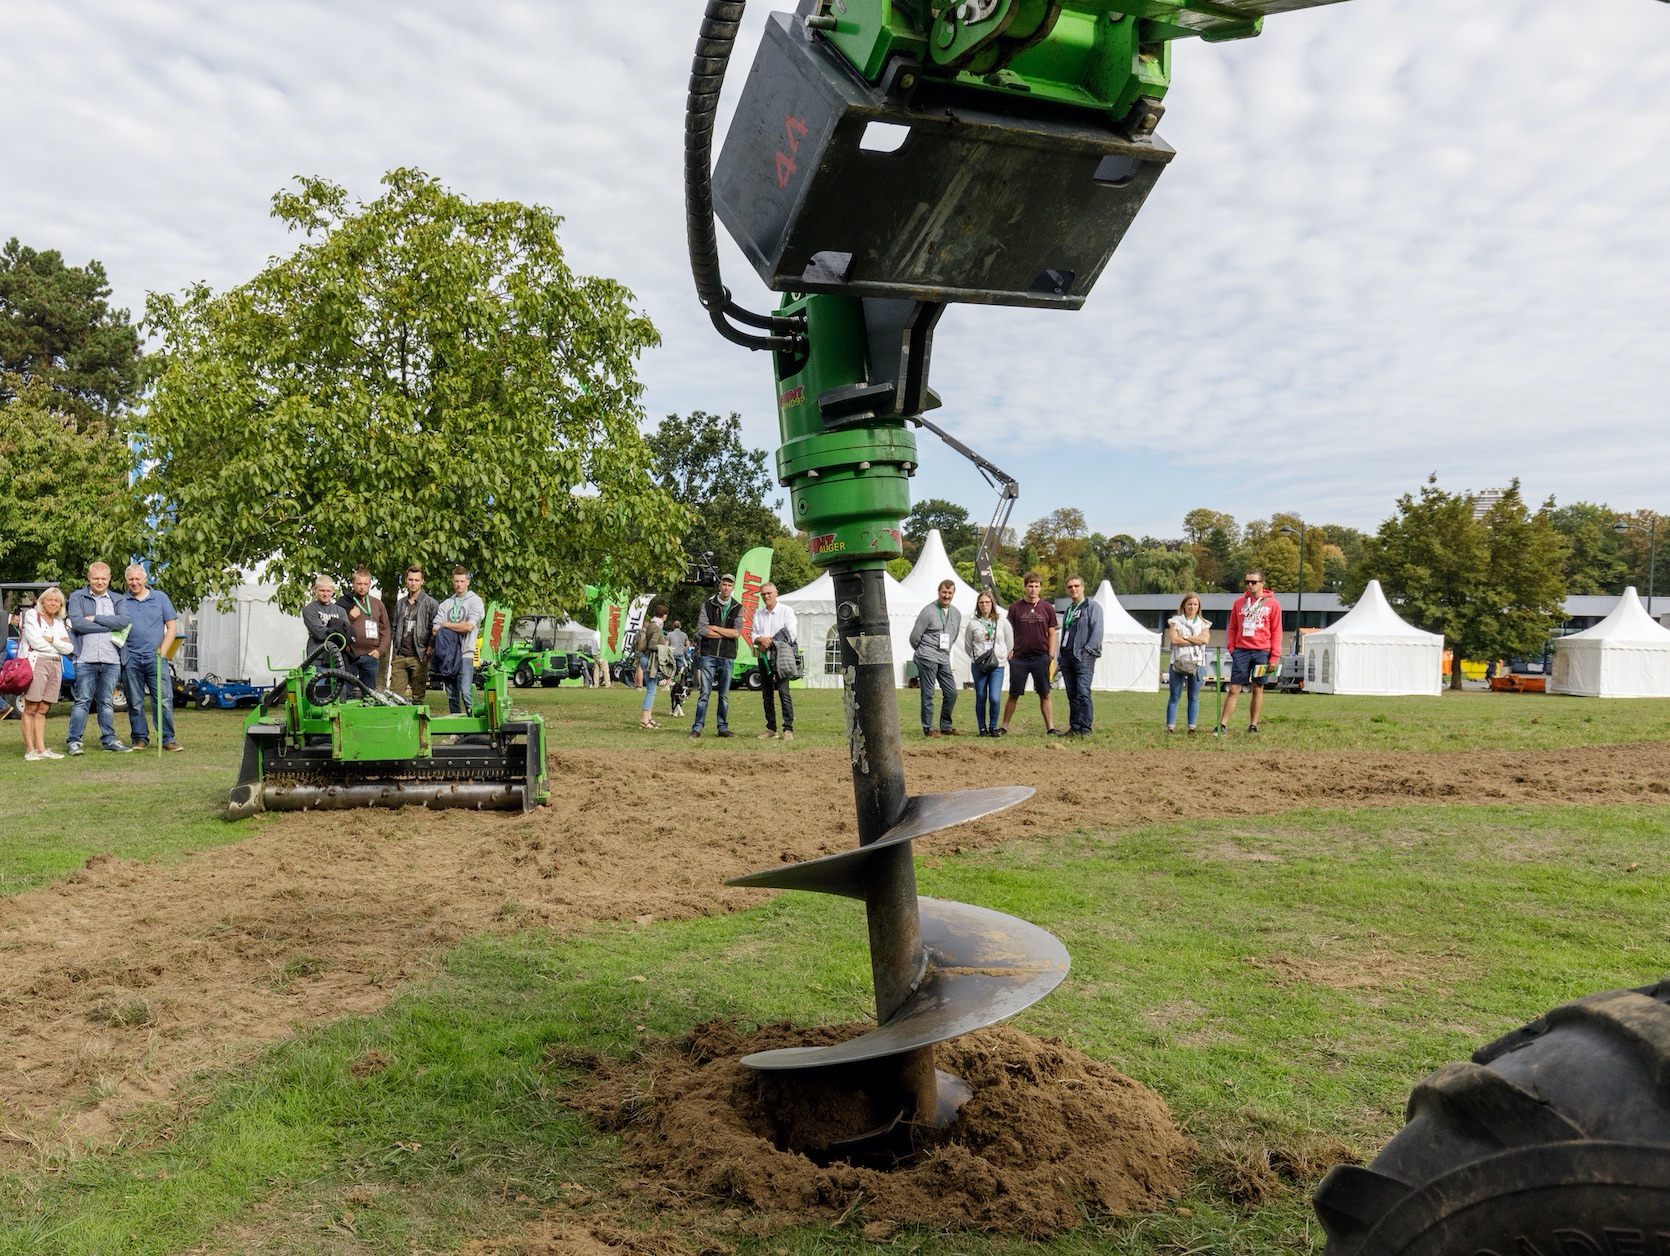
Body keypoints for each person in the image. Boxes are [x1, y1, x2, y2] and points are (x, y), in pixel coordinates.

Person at [66, 561, 133, 755]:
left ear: (110, 578)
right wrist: (109, 626)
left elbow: (124, 621)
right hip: (85, 658)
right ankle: (74, 740)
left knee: (106, 702)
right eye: (96, 578)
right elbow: (78, 624)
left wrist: (94, 618)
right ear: (88, 577)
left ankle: (109, 739)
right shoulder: (77, 596)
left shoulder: (118, 599)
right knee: (82, 701)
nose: (100, 582)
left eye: (104, 578)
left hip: (111, 658)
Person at [120, 564, 181, 752]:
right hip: (131, 659)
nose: (134, 583)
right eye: (131, 579)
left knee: (163, 700)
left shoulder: (160, 598)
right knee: (135, 701)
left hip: (155, 658)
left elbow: (172, 627)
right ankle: (139, 738)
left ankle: (167, 739)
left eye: (138, 579)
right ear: (126, 580)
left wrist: (163, 651)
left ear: (145, 579)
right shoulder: (121, 601)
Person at [1218, 570, 1282, 736]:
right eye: (1247, 582)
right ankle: (1222, 725)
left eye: (1253, 582)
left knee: (1258, 687)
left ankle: (1253, 725)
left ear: (1262, 583)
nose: (1250, 585)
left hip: (1263, 651)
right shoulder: (1239, 603)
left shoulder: (1273, 604)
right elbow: (1232, 627)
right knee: (1234, 688)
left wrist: (1274, 657)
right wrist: (1232, 648)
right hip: (1241, 650)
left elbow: (1276, 631)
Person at [998, 572, 1059, 736]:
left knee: (1044, 693)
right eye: (1030, 586)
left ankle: (1050, 728)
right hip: (1019, 658)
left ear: (1040, 588)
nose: (1033, 589)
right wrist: (1009, 652)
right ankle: (1004, 727)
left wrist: (1050, 655)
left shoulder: (1047, 608)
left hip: (1041, 657)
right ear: (1025, 587)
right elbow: (1007, 631)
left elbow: (1052, 632)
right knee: (1014, 694)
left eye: (1036, 586)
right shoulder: (1015, 608)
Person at [18, 587, 73, 760]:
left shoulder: (58, 622)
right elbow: (36, 642)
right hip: (37, 661)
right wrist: (57, 643)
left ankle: (41, 749)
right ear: (42, 601)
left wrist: (51, 640)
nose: (53, 603)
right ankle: (30, 750)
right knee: (31, 706)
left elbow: (69, 647)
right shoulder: (32, 616)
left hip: (55, 663)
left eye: (57, 601)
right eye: (50, 599)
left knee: (43, 708)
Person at [690, 572, 743, 739]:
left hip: (727, 656)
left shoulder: (738, 607)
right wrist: (722, 632)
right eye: (724, 585)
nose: (726, 588)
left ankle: (722, 727)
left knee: (724, 696)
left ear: (732, 588)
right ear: (719, 586)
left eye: (729, 585)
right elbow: (702, 630)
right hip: (708, 654)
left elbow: (737, 633)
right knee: (704, 693)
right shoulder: (707, 605)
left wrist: (715, 628)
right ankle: (697, 728)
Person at [909, 579, 962, 738]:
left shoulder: (956, 613)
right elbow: (914, 637)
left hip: (943, 657)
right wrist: (923, 652)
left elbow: (954, 635)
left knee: (951, 692)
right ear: (938, 592)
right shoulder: (928, 611)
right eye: (944, 592)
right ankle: (929, 728)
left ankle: (946, 726)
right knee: (929, 693)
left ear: (953, 594)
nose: (946, 596)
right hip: (927, 656)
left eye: (950, 593)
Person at [433, 566, 485, 716]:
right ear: (452, 582)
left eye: (462, 581)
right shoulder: (446, 604)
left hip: (465, 654)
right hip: (448, 656)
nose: (459, 584)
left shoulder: (475, 601)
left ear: (468, 582)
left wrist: (447, 626)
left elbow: (469, 626)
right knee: (451, 695)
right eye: (456, 581)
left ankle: (473, 726)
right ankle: (458, 730)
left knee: (466, 692)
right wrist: (455, 627)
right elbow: (436, 629)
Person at [1057, 575, 1104, 738]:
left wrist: (1088, 650)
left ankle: (1086, 728)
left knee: (1083, 691)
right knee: (1072, 693)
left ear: (1083, 587)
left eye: (1076, 585)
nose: (1073, 589)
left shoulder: (1092, 607)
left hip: (1084, 656)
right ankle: (1074, 727)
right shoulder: (1069, 609)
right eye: (1070, 587)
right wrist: (1060, 657)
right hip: (1067, 656)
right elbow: (1065, 634)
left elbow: (1097, 630)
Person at [750, 582, 798, 741]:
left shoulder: (786, 611)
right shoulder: (758, 615)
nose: (766, 596)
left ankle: (788, 729)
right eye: (763, 594)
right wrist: (759, 639)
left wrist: (768, 641)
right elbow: (752, 634)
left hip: (781, 658)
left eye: (769, 593)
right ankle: (771, 728)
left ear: (776, 593)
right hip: (763, 658)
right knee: (767, 694)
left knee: (784, 692)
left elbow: (791, 634)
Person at [964, 589, 1011, 737]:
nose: (984, 605)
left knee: (995, 697)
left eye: (987, 602)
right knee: (981, 696)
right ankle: (982, 728)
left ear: (992, 603)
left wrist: (1002, 655)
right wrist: (976, 656)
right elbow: (967, 645)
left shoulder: (1002, 621)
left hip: (997, 664)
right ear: (978, 605)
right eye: (981, 602)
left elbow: (1010, 642)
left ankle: (993, 726)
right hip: (979, 664)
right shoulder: (973, 623)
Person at [387, 566, 438, 702]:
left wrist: (428, 654)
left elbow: (435, 631)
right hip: (400, 655)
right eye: (410, 579)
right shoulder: (400, 603)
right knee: (394, 697)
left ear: (422, 581)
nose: (413, 583)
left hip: (420, 656)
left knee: (417, 698)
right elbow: (395, 627)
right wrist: (394, 652)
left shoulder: (431, 604)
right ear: (406, 581)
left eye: (417, 580)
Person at [338, 568, 391, 693]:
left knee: (369, 694)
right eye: (359, 583)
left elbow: (386, 630)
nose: (362, 587)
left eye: (365, 584)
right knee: (347, 692)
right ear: (353, 584)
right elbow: (338, 629)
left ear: (370, 584)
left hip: (371, 656)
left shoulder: (377, 604)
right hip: (350, 655)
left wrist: (379, 651)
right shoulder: (344, 603)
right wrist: (350, 617)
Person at [1165, 592, 1211, 734]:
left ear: (1199, 607)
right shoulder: (1175, 621)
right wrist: (1194, 639)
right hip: (1178, 662)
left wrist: (1184, 637)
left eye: (1195, 604)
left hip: (1197, 663)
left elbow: (1205, 640)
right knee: (1174, 696)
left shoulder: (1204, 623)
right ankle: (1170, 726)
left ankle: (1192, 726)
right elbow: (1174, 640)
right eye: (1189, 604)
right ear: (1184, 605)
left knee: (1193, 696)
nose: (1192, 607)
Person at [637, 603, 671, 729]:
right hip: (650, 659)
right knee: (651, 690)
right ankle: (644, 720)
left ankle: (649, 718)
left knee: (653, 689)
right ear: (665, 616)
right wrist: (664, 648)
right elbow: (652, 645)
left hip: (646, 659)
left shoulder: (650, 625)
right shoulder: (657, 628)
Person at [302, 576, 352, 648]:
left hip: (337, 653)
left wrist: (338, 632)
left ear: (333, 591)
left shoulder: (341, 611)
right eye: (322, 591)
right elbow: (320, 634)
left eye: (328, 591)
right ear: (315, 589)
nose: (325, 594)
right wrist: (338, 632)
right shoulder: (309, 609)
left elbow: (347, 633)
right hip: (317, 654)